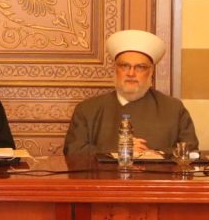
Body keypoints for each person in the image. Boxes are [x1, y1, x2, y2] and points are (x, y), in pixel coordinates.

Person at [63, 29, 198, 156]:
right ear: (115, 69)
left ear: (151, 72)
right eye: (125, 66)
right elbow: (72, 151)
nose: (131, 73)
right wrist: (120, 149)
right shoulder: (88, 109)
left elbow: (191, 152)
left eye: (140, 67)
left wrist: (153, 154)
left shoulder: (173, 109)